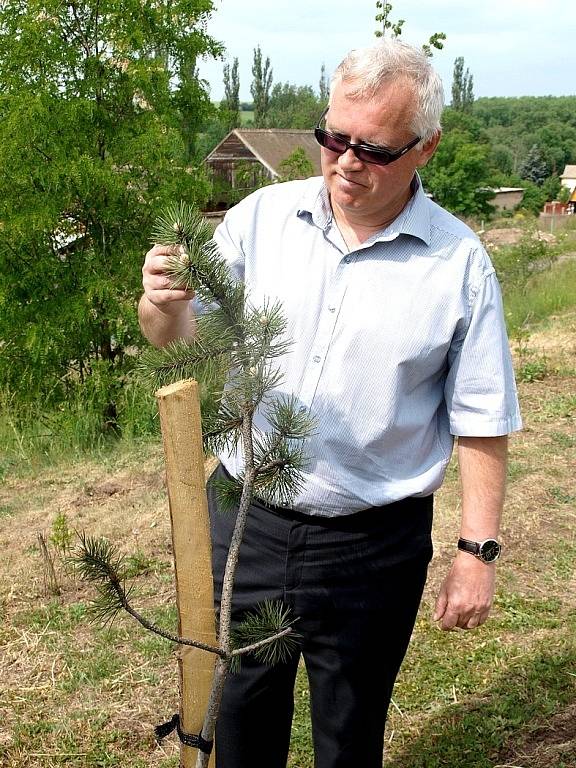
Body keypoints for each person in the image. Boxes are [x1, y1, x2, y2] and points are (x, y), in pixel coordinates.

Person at [139, 39, 522, 768]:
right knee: (241, 721)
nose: (346, 161)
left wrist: (477, 553)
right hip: (247, 520)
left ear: (425, 148)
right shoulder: (262, 219)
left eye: (373, 149)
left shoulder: (458, 262)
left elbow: (481, 416)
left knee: (348, 738)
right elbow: (175, 337)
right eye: (333, 138)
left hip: (373, 545)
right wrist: (158, 303)